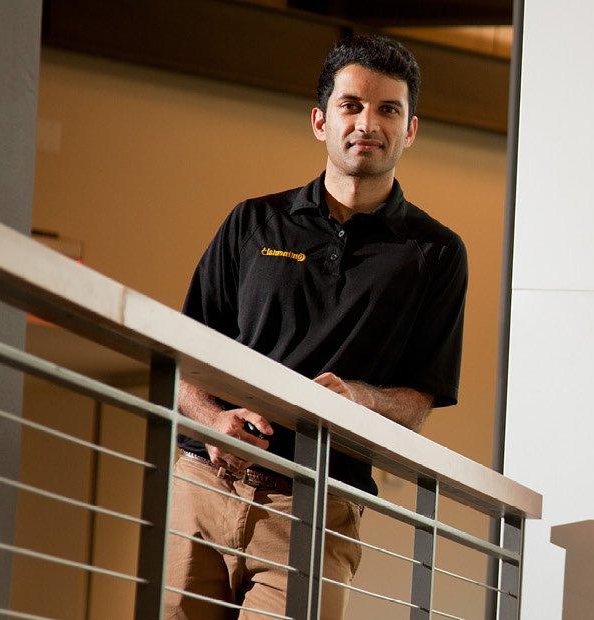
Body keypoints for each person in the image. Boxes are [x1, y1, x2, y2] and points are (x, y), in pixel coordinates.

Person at [164, 34, 467, 619]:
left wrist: (357, 397)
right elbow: (186, 355)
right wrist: (214, 420)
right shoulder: (252, 222)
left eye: (388, 109)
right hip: (202, 482)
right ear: (320, 120)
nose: (367, 123)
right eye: (351, 105)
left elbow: (418, 403)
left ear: (410, 131)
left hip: (316, 504)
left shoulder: (436, 253)